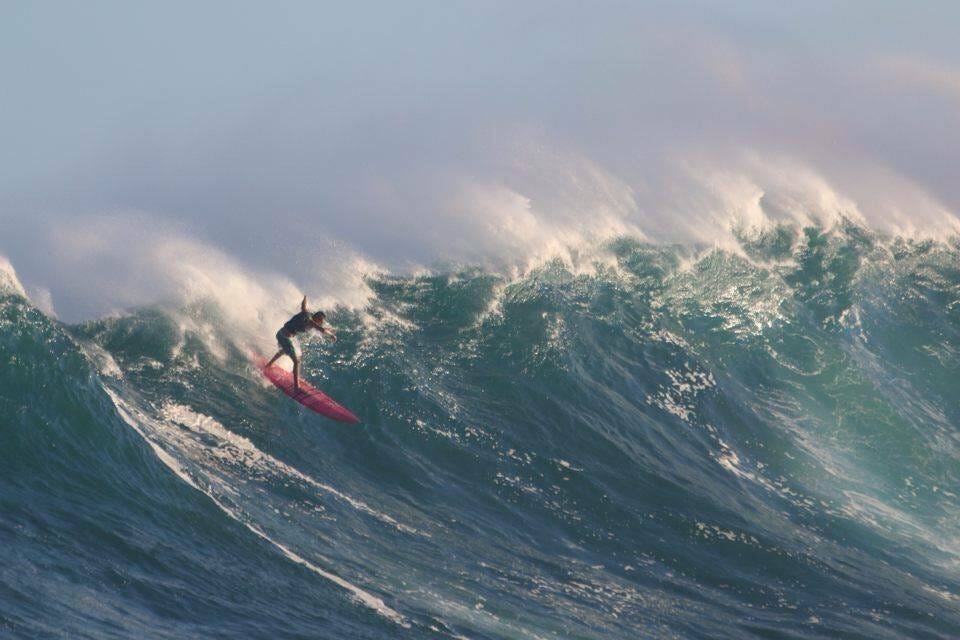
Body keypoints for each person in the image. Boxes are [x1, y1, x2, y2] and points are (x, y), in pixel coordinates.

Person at [266, 296, 337, 392]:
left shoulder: (307, 314)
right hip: (284, 337)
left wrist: (305, 296)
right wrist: (331, 335)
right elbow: (321, 329)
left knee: (284, 351)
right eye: (321, 321)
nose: (321, 323)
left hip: (281, 334)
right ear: (318, 319)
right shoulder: (311, 321)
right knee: (296, 361)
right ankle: (296, 388)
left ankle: (269, 365)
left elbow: (303, 306)